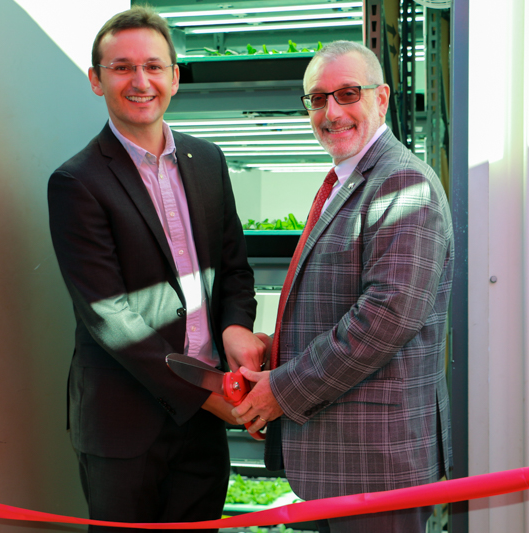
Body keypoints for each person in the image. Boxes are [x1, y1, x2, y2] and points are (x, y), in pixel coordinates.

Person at [47, 6, 265, 532]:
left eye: (153, 66)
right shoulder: (76, 182)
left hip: (205, 423)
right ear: (97, 81)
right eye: (121, 67)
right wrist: (208, 396)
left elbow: (234, 266)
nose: (140, 81)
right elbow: (109, 318)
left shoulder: (208, 161)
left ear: (174, 78)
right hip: (125, 424)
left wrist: (235, 326)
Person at [231, 40, 454, 533]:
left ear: (382, 99)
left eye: (348, 94)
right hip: (347, 461)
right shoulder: (346, 179)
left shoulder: (400, 184)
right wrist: (277, 349)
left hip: (376, 462)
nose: (331, 111)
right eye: (317, 98)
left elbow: (385, 318)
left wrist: (281, 390)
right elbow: (338, 304)